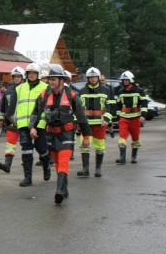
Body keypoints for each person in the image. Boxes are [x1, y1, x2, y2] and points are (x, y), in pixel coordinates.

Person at [30, 64, 91, 204]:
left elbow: (81, 117)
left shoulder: (72, 95)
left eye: (54, 79)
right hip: (51, 134)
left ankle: (59, 191)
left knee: (63, 162)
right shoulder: (44, 95)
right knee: (57, 163)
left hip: (67, 133)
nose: (51, 82)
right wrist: (32, 127)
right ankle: (65, 189)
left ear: (61, 80)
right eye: (50, 79)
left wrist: (86, 136)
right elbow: (35, 112)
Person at [14, 63, 51, 186]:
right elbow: (14, 106)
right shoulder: (19, 88)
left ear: (38, 74)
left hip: (40, 124)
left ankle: (46, 166)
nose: (31, 75)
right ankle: (28, 178)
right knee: (26, 150)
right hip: (23, 125)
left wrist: (39, 124)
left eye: (34, 73)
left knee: (42, 149)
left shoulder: (46, 87)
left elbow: (46, 109)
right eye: (29, 73)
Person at [77, 67, 114, 178]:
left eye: (94, 77)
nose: (92, 79)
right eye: (90, 77)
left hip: (100, 124)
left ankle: (98, 169)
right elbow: (78, 108)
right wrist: (78, 122)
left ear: (98, 78)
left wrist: (107, 119)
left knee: (100, 147)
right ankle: (85, 169)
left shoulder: (106, 90)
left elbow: (110, 107)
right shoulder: (82, 91)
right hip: (86, 124)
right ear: (88, 79)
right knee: (84, 145)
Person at [114, 71, 148, 164]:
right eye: (123, 80)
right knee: (122, 138)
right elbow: (118, 105)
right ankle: (122, 158)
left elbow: (144, 103)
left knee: (135, 139)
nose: (125, 82)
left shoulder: (139, 91)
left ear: (131, 80)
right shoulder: (120, 91)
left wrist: (143, 115)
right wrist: (117, 117)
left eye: (126, 80)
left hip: (135, 118)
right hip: (124, 118)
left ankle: (134, 157)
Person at [0, 66, 25, 173]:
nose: (16, 78)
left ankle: (42, 159)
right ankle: (7, 165)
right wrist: (0, 119)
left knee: (27, 144)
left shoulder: (26, 89)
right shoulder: (8, 91)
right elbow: (3, 107)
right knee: (10, 144)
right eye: (15, 76)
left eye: (19, 76)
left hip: (25, 123)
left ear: (23, 77)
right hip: (11, 123)